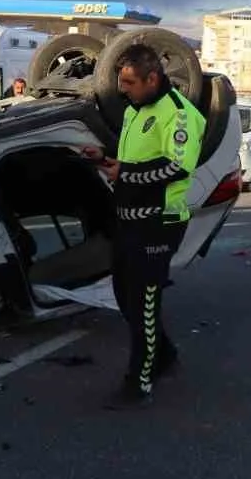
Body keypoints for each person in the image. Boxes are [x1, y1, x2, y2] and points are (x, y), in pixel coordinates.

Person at [81, 45, 206, 410]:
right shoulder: (136, 109)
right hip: (128, 220)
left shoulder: (179, 115)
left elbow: (177, 167)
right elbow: (135, 160)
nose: (123, 90)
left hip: (158, 223)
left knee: (144, 303)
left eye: (130, 83)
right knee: (125, 297)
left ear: (152, 78)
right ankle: (164, 354)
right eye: (121, 82)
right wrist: (106, 159)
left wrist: (126, 173)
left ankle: (139, 382)